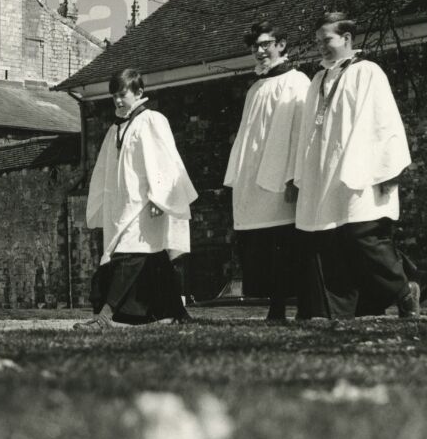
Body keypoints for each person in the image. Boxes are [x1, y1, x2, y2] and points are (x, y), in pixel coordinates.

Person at [292, 11, 420, 319]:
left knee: (364, 236)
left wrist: (387, 170)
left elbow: (383, 122)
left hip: (360, 170)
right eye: (318, 42)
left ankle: (404, 291)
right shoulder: (318, 79)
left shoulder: (367, 72)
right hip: (324, 173)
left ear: (347, 38)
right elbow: (308, 131)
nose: (321, 47)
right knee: (329, 241)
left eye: (327, 40)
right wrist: (302, 176)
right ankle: (339, 309)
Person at [77, 67, 198, 330]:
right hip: (124, 204)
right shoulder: (115, 130)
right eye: (114, 97)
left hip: (146, 204)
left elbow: (164, 161)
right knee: (153, 257)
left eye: (122, 95)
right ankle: (176, 313)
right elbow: (107, 171)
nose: (118, 101)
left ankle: (105, 317)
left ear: (139, 92)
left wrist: (160, 198)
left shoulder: (152, 120)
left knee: (129, 257)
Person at [224, 21, 310, 322]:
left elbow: (300, 133)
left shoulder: (297, 82)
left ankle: (298, 306)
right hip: (255, 181)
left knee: (288, 246)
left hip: (281, 179)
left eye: (266, 44)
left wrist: (293, 176)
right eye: (255, 47)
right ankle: (275, 307)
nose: (260, 51)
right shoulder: (256, 88)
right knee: (264, 248)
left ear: (282, 46)